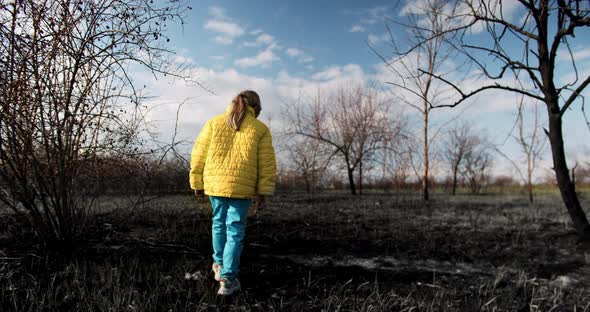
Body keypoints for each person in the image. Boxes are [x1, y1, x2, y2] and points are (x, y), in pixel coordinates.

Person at [189, 90, 276, 296]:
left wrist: (196, 181)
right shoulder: (260, 129)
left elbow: (198, 154)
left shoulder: (214, 122)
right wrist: (263, 192)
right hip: (242, 187)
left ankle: (218, 266)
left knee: (218, 223)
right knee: (235, 229)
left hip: (216, 184)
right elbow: (267, 164)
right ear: (257, 108)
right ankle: (228, 279)